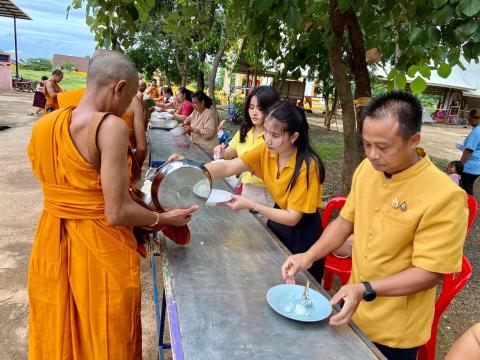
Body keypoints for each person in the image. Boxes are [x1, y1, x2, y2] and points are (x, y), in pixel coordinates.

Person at [27, 50, 198, 359]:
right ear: (119, 88)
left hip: (51, 243)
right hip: (99, 251)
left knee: (59, 331)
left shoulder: (44, 127)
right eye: (129, 97)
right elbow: (117, 211)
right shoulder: (110, 127)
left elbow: (83, 192)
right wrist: (166, 219)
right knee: (106, 340)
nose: (126, 108)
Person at [281, 91, 468, 360]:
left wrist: (365, 288)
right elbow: (345, 222)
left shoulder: (444, 195)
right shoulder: (367, 171)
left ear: (414, 140)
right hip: (354, 309)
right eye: (366, 144)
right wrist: (308, 256)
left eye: (382, 147)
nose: (372, 154)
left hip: (395, 330)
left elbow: (429, 273)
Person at [171, 101, 326, 283]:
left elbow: (293, 217)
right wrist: (191, 169)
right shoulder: (267, 150)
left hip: (303, 234)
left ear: (293, 137)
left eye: (275, 135)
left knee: (299, 288)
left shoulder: (308, 167)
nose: (267, 138)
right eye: (266, 131)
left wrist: (252, 205)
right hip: (279, 222)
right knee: (271, 277)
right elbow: (228, 166)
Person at [213, 86, 279, 210]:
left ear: (272, 109)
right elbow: (229, 154)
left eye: (260, 108)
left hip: (265, 194)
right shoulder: (245, 130)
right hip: (246, 189)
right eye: (251, 107)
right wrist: (221, 152)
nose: (254, 112)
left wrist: (247, 167)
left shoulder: (274, 138)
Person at [123, 95, 148, 169]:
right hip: (123, 166)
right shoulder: (132, 99)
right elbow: (142, 148)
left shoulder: (87, 95)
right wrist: (135, 169)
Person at [460, 109, 480, 195]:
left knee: (466, 192)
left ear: (476, 119)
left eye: (470, 120)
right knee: (467, 189)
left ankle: (469, 207)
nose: (469, 122)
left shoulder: (477, 131)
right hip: (476, 166)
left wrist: (459, 165)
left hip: (469, 167)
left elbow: (469, 151)